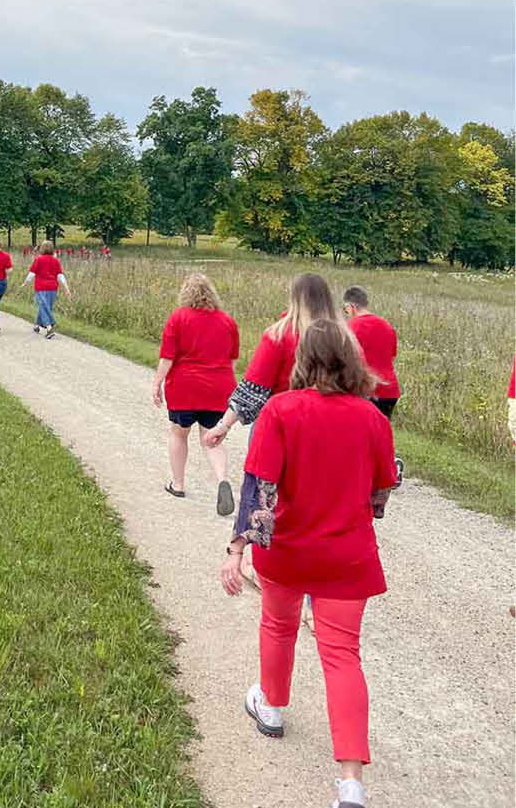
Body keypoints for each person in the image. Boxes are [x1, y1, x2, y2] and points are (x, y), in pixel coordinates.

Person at [220, 317, 395, 808]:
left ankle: (272, 709)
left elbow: (260, 490)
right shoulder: (372, 418)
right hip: (348, 557)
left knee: (278, 626)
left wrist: (238, 548)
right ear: (353, 361)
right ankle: (351, 784)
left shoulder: (280, 411)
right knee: (342, 655)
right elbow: (380, 493)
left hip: (289, 551)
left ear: (303, 360)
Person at [208, 273, 341, 449]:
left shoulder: (280, 335)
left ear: (294, 299)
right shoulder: (341, 337)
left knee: (263, 475)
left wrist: (223, 426)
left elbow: (254, 389)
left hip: (279, 423)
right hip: (327, 427)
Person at [155, 273, 242, 513]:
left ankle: (178, 484)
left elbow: (167, 357)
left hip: (184, 388)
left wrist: (157, 383)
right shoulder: (227, 322)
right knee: (212, 439)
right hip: (218, 389)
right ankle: (223, 480)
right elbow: (233, 360)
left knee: (179, 434)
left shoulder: (178, 318)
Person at [342, 287, 401, 419]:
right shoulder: (387, 326)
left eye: (345, 310)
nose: (347, 313)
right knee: (381, 434)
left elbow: (345, 360)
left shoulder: (351, 327)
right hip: (390, 391)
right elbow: (390, 357)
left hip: (365, 390)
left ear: (351, 306)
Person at [28, 244, 66, 337]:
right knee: (45, 306)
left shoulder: (38, 260)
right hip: (53, 287)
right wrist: (65, 287)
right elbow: (60, 275)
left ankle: (49, 327)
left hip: (41, 287)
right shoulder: (56, 261)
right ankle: (37, 325)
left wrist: (26, 282)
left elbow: (32, 273)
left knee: (43, 306)